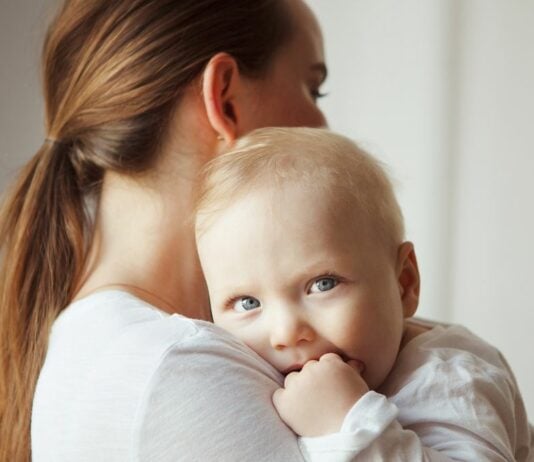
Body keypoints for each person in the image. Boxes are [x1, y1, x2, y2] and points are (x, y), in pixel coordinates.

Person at [0, 1, 362, 461]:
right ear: (226, 99)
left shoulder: (104, 343)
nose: (324, 127)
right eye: (313, 90)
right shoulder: (178, 369)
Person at [195, 127, 534, 461]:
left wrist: (344, 424)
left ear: (404, 282)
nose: (285, 332)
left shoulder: (450, 379)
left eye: (323, 284)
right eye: (247, 303)